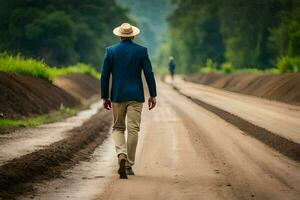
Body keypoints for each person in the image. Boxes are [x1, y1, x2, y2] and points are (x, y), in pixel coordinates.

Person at [100, 23, 157, 179]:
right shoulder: (141, 51)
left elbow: (105, 75)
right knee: (133, 129)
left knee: (118, 128)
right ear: (133, 35)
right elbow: (149, 73)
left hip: (118, 95)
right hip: (136, 95)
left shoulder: (110, 51)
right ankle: (129, 164)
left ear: (119, 35)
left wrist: (105, 96)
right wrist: (153, 94)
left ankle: (121, 154)